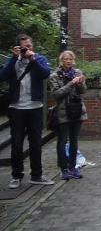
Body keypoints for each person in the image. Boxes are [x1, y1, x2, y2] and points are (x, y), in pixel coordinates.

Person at [0, 34, 54, 188]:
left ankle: (36, 174)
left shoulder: (39, 58)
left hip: (35, 107)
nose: (27, 49)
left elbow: (45, 74)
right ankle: (16, 175)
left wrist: (33, 59)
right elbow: (3, 76)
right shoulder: (14, 60)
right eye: (24, 47)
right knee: (17, 143)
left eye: (29, 46)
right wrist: (13, 58)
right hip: (16, 107)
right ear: (18, 47)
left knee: (36, 142)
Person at [49, 50, 87, 181]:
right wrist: (72, 83)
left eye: (70, 59)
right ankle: (63, 168)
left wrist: (80, 83)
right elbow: (57, 94)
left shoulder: (77, 72)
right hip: (63, 111)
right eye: (66, 59)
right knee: (62, 140)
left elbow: (83, 91)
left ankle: (73, 167)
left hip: (77, 110)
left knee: (74, 141)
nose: (69, 61)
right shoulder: (55, 75)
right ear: (61, 60)